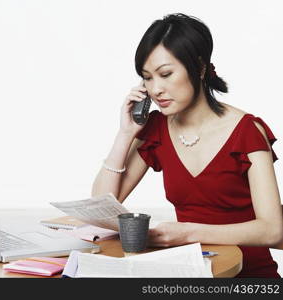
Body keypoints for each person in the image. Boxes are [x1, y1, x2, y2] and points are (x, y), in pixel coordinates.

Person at [91, 13, 283, 277]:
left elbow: (273, 229)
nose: (156, 89)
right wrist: (125, 134)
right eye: (147, 78)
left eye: (166, 74)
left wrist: (188, 233)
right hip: (191, 273)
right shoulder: (156, 129)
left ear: (200, 67)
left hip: (248, 275)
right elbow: (101, 207)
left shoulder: (248, 131)